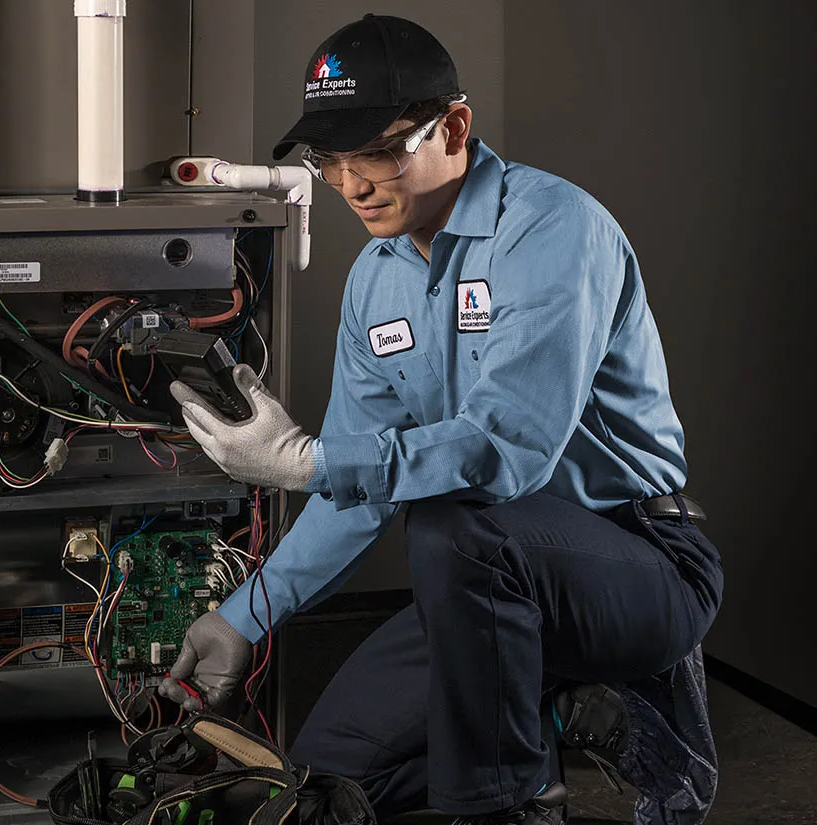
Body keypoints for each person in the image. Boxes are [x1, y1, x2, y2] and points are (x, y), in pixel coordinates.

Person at [158, 14, 724, 825]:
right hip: (483, 593)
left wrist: (306, 459)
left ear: (453, 126)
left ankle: (512, 805)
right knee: (321, 788)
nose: (352, 185)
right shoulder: (375, 282)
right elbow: (363, 486)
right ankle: (562, 710)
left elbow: (509, 448)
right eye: (329, 163)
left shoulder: (550, 229)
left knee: (452, 527)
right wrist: (241, 614)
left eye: (377, 153)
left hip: (638, 562)